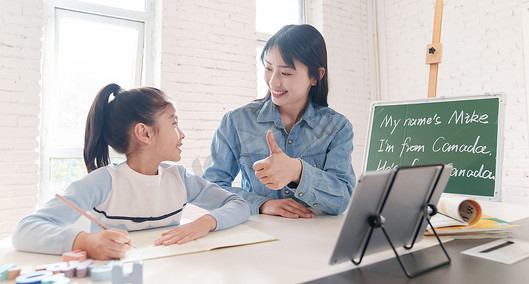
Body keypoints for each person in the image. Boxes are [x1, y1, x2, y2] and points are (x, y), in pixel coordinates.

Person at [12, 84, 250, 260]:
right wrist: (86, 241)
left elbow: (239, 204)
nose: (182, 133)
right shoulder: (103, 182)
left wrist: (206, 222)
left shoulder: (180, 178)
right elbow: (25, 230)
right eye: (174, 123)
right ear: (144, 133)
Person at [203, 24, 356, 219]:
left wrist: (297, 172)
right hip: (259, 238)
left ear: (316, 77)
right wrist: (262, 204)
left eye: (286, 73)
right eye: (268, 68)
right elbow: (210, 189)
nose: (273, 81)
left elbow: (342, 199)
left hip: (317, 240)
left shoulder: (337, 127)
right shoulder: (236, 121)